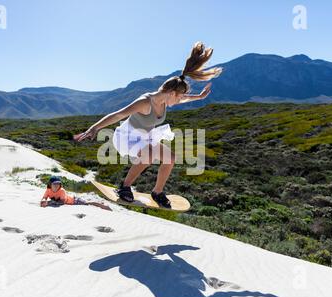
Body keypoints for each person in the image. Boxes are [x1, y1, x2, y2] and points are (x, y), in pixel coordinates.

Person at [74, 42, 222, 209]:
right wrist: (95, 128)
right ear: (172, 93)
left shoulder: (166, 100)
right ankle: (124, 187)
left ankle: (157, 192)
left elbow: (185, 98)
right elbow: (118, 114)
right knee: (149, 156)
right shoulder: (146, 102)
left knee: (171, 158)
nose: (181, 100)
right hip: (127, 138)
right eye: (179, 97)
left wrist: (200, 97)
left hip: (146, 138)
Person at [40, 176, 112, 211]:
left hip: (74, 201)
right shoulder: (48, 190)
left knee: (88, 203)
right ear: (50, 184)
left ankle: (103, 206)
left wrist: (48, 203)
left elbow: (61, 202)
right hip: (70, 201)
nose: (56, 185)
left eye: (58, 184)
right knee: (87, 203)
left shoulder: (62, 190)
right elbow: (44, 197)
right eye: (54, 184)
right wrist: (43, 201)